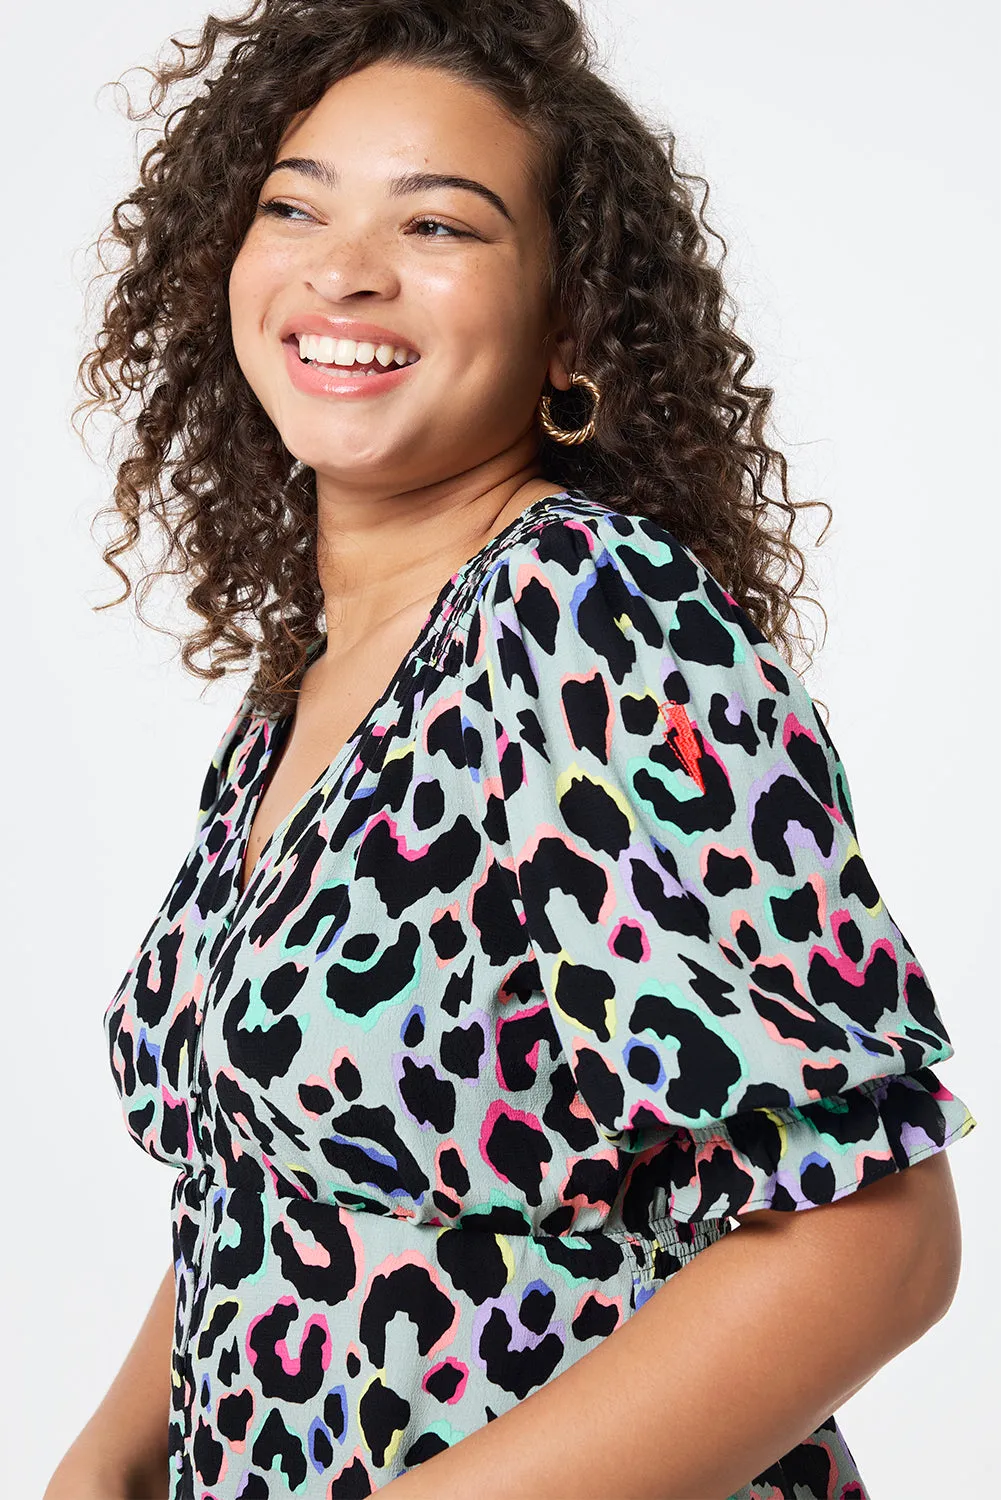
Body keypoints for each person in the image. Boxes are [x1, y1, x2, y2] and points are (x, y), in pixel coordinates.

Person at [46, 2, 977, 1498]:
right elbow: (295, 1174)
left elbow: (873, 1241)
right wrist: (105, 1467)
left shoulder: (589, 616)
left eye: (440, 223)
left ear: (566, 328)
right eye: (294, 203)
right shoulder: (307, 694)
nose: (344, 266)